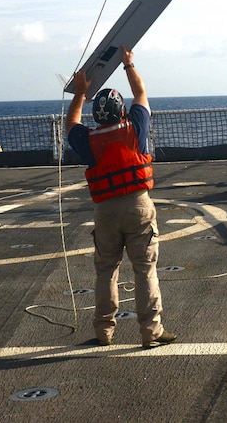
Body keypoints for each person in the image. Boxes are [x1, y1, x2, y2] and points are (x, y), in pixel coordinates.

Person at [65, 47, 177, 349]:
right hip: (138, 206)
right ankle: (151, 333)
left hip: (105, 211)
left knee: (105, 271)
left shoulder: (89, 140)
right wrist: (128, 65)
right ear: (121, 110)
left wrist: (80, 92)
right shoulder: (135, 126)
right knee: (144, 270)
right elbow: (141, 92)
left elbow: (71, 123)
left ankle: (104, 332)